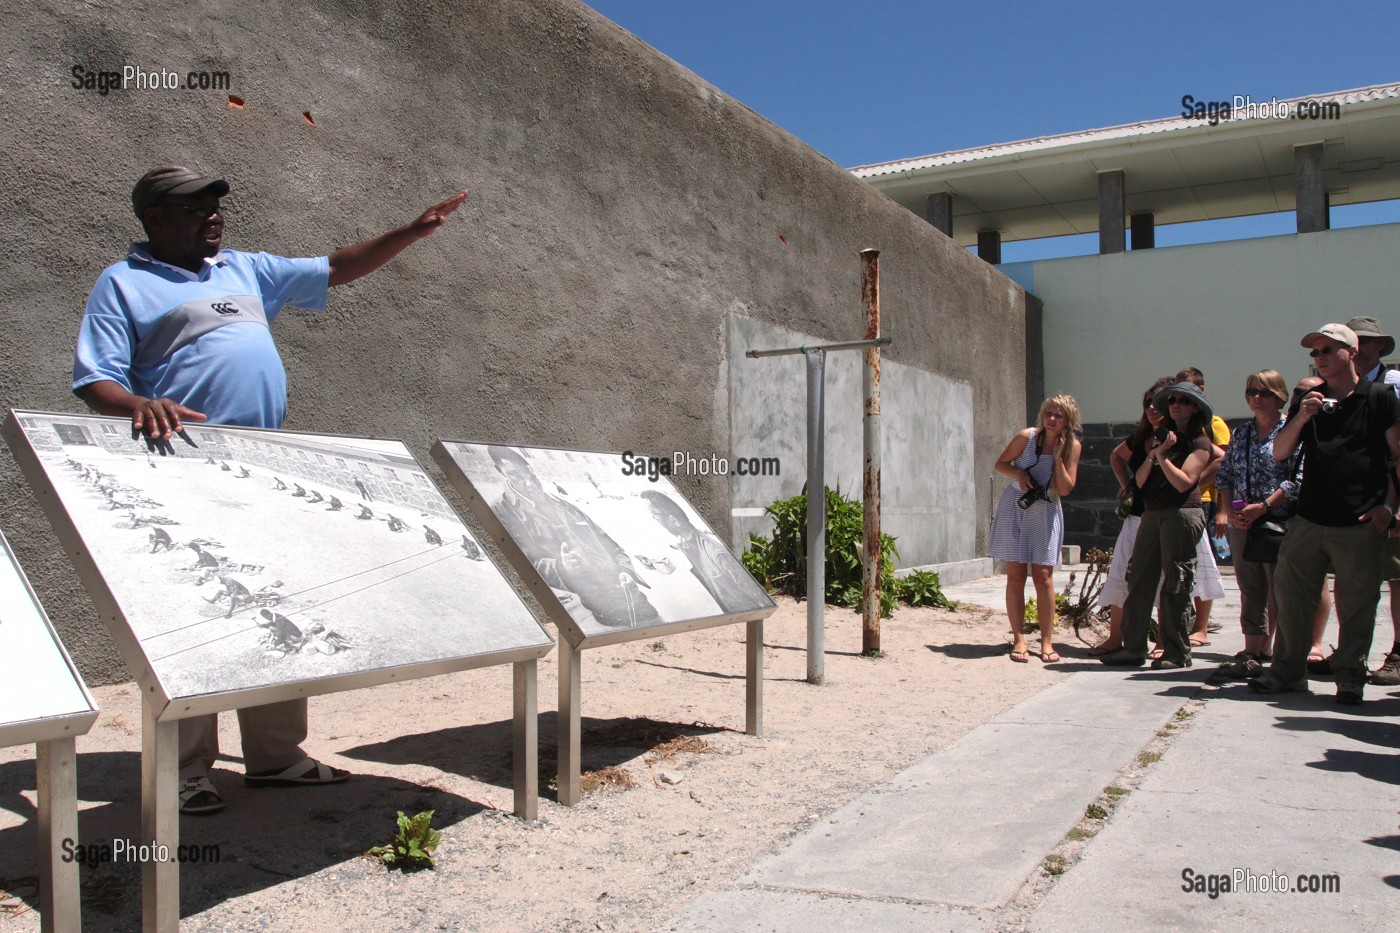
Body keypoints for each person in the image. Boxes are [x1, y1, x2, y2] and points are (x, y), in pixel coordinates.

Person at [73, 165, 469, 814]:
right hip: (181, 472)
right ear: (153, 219)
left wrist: (412, 231)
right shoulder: (123, 284)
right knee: (193, 617)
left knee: (281, 609)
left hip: (265, 471)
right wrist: (139, 404)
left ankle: (276, 756)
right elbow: (96, 380)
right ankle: (185, 769)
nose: (213, 215)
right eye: (195, 207)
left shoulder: (245, 269)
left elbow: (336, 267)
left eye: (215, 205)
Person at [1249, 324, 1400, 704]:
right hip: (1309, 519)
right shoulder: (1309, 398)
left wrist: (1389, 508)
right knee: (1293, 597)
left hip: (1360, 521)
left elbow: (1398, 456)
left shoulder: (1379, 397)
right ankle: (1286, 673)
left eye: (1329, 350)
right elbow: (1280, 452)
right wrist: (1302, 415)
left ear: (1352, 351)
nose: (1320, 357)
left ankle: (1349, 677)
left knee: (1357, 603)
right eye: (1315, 352)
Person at [1100, 381, 1214, 669]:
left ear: (1195, 407)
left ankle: (1176, 653)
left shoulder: (1199, 442)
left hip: (1181, 513)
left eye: (1183, 401)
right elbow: (1139, 481)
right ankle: (1133, 647)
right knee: (1138, 579)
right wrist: (1153, 454)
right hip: (1151, 513)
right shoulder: (1159, 438)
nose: (1176, 405)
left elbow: (1184, 482)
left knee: (1176, 584)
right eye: (1172, 400)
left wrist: (1162, 456)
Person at [488, 445, 662, 629]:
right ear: (501, 472)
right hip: (603, 611)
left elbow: (609, 543)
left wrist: (626, 570)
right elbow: (525, 564)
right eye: (517, 476)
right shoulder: (503, 510)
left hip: (634, 597)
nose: (530, 484)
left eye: (531, 475)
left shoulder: (562, 504)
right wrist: (562, 567)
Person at [1209, 370, 1295, 681]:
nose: (1256, 398)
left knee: (1280, 590)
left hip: (1278, 521)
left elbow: (1296, 480)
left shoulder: (1290, 430)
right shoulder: (1242, 433)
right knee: (1250, 588)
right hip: (1244, 521)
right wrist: (1230, 510)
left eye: (1264, 393)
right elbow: (1225, 475)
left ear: (1279, 395)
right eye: (1251, 392)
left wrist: (1266, 507)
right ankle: (1252, 650)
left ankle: (1281, 653)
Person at [988, 396, 1082, 663]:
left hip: (1046, 509)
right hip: (1016, 506)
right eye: (1048, 413)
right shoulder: (1026, 437)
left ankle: (1047, 641)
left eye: (1059, 415)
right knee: (1015, 576)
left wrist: (1057, 458)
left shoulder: (1072, 446)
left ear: (1069, 420)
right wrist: (1021, 475)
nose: (1051, 419)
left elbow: (1065, 488)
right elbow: (1000, 464)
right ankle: (1019, 639)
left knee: (1043, 576)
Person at [1090, 376, 1175, 656]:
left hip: (1165, 516)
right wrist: (1125, 483)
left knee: (1164, 581)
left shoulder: (1177, 437)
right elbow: (1116, 455)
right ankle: (1116, 637)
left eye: (1157, 403)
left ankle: (1163, 642)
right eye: (1147, 404)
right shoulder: (1140, 438)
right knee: (1120, 576)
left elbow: (1215, 456)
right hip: (1136, 517)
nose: (1152, 409)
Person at [1345, 317, 1400, 686]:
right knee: (1353, 580)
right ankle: (1349, 653)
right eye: (1352, 341)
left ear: (1380, 346)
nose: (1358, 348)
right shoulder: (1339, 389)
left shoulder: (1394, 384)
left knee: (1397, 576)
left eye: (1365, 341)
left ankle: (1398, 651)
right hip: (1352, 502)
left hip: (1390, 498)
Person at [639, 489, 771, 614]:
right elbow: (682, 568)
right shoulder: (684, 545)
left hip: (740, 613)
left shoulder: (716, 552)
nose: (655, 520)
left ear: (673, 520)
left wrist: (761, 612)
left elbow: (752, 591)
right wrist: (654, 564)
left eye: (654, 515)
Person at [1175, 367, 1230, 647]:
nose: (1179, 401)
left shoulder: (1214, 423)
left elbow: (1225, 463)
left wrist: (1221, 507)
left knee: (1203, 566)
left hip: (1204, 502)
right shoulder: (1172, 425)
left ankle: (1202, 626)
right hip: (1177, 504)